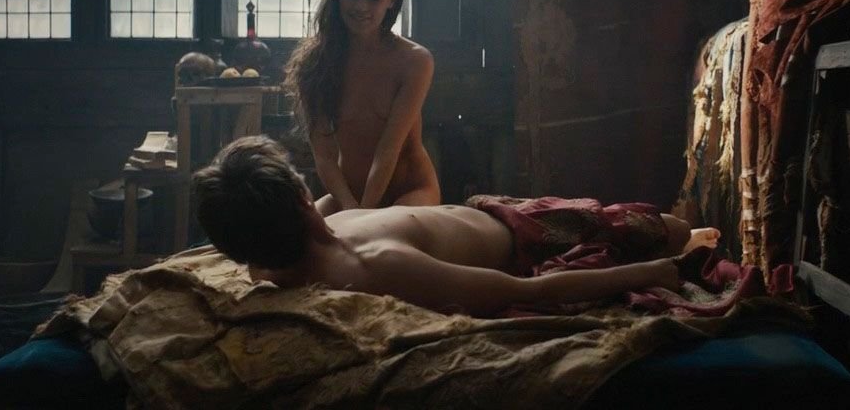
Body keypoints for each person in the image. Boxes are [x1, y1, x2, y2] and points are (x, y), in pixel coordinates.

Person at [192, 136, 721, 317]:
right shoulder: (374, 265)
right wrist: (656, 273)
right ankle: (677, 245)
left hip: (490, 208)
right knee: (672, 229)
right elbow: (524, 292)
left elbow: (257, 248)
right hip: (531, 234)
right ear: (301, 201)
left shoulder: (277, 255)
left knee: (664, 225)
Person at [283, 0, 440, 216]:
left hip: (411, 192)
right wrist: (350, 207)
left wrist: (364, 214)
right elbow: (325, 157)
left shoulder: (415, 61)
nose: (360, 6)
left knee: (379, 234)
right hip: (348, 197)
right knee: (298, 233)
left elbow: (388, 149)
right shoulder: (315, 63)